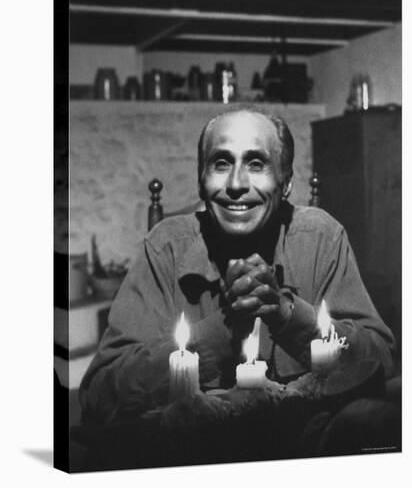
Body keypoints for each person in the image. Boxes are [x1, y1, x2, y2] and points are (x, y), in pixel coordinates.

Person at [79, 109, 395, 428]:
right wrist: (220, 330)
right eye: (221, 163)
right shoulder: (166, 249)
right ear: (201, 180)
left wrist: (287, 314)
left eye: (256, 163)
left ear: (285, 183)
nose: (236, 184)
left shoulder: (321, 239)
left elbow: (381, 361)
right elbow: (100, 393)